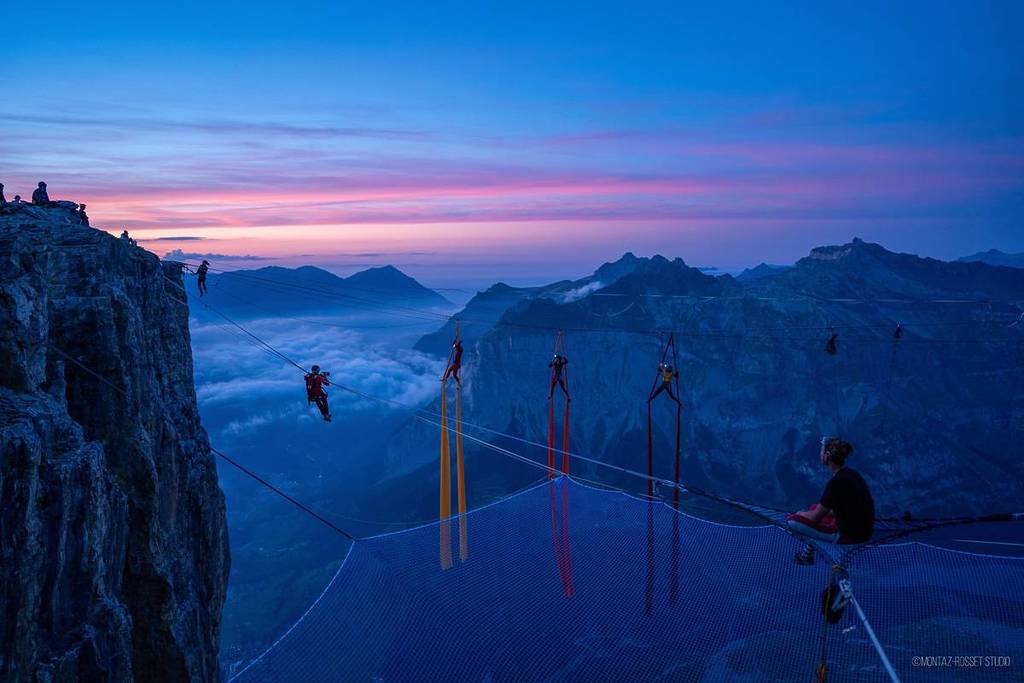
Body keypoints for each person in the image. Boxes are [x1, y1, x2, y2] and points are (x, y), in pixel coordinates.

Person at [788, 437, 875, 565]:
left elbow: (814, 518)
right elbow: (849, 507)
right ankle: (807, 554)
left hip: (848, 536)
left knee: (793, 521)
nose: (820, 454)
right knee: (814, 507)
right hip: (864, 529)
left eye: (821, 451)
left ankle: (807, 556)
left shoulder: (835, 483)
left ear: (827, 455)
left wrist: (800, 514)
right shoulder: (852, 474)